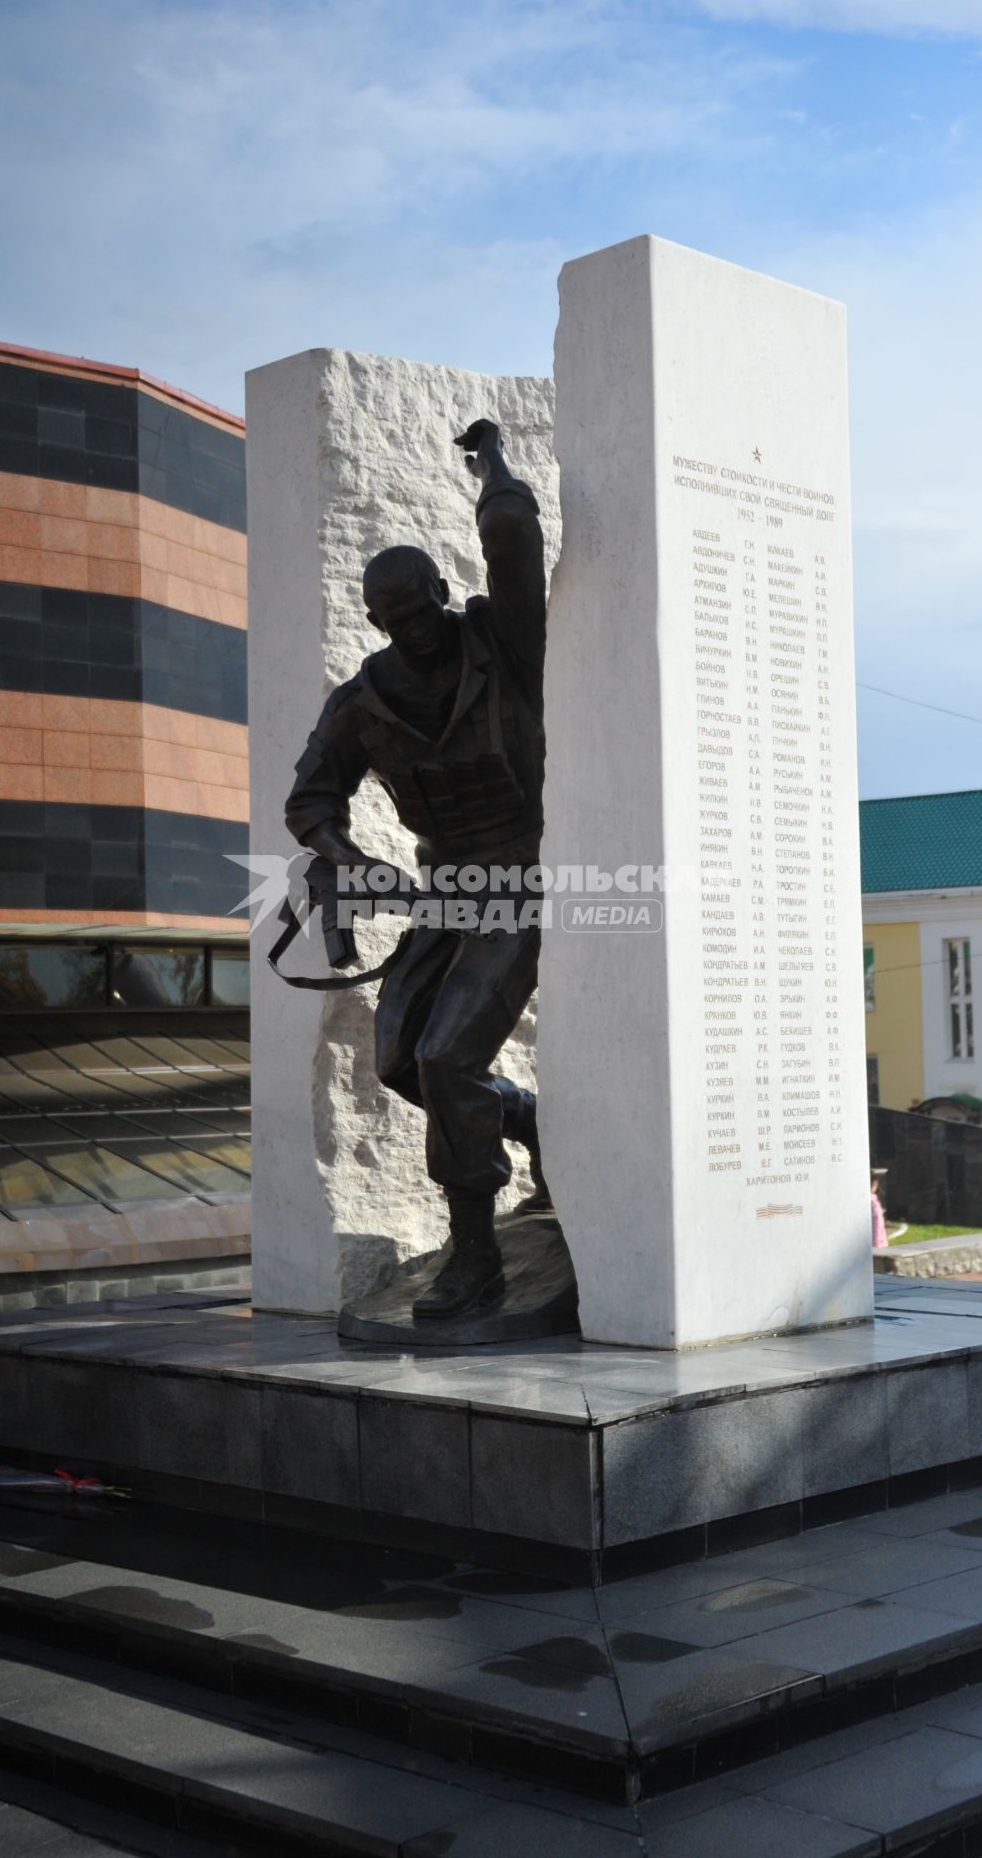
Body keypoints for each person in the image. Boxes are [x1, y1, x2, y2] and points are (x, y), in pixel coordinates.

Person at [284, 419, 548, 1320]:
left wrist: (492, 467)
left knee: (444, 1055)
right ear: (375, 623)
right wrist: (347, 858)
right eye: (397, 625)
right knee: (401, 1059)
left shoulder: (503, 648)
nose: (417, 635)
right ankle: (532, 1122)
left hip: (524, 876)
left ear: (446, 591)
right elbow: (309, 803)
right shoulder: (361, 705)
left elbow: (512, 538)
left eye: (425, 613)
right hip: (446, 891)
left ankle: (474, 1256)